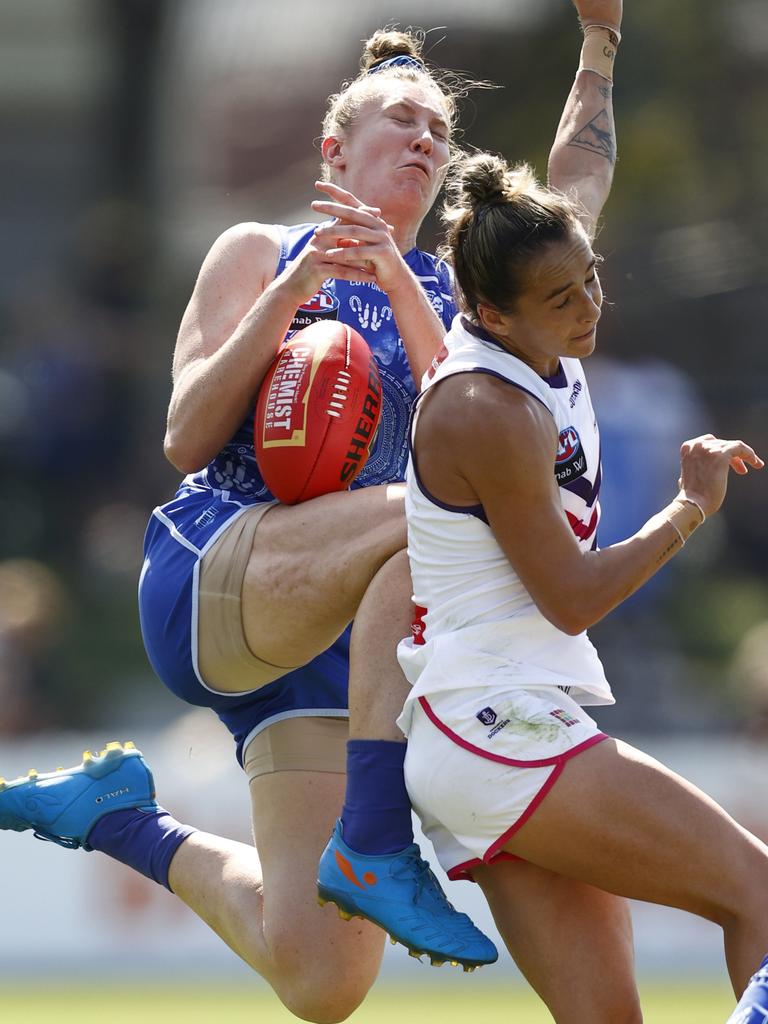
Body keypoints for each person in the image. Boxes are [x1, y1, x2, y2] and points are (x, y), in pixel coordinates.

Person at [0, 6, 622, 1018]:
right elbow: (185, 435)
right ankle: (377, 832)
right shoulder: (258, 249)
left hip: (339, 649)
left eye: (439, 130)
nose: (427, 138)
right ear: (336, 147)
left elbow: (467, 433)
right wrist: (296, 289)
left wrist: (601, 43)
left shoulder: (465, 305)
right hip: (217, 574)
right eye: (401, 120)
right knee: (441, 522)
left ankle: (121, 821)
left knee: (323, 979)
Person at [391, 148, 766, 1023]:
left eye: (591, 280)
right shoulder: (490, 408)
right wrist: (688, 510)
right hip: (496, 726)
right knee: (758, 893)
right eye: (562, 299)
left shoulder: (531, 308)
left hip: (488, 729)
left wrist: (601, 40)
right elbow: (572, 597)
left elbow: (577, 171)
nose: (589, 305)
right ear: (488, 310)